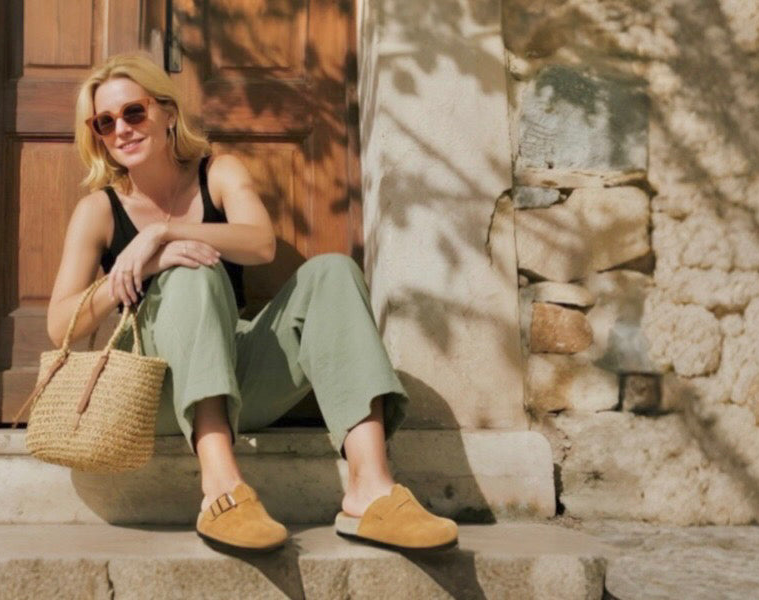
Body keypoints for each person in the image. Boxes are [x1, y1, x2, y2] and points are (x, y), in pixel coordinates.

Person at [43, 54, 459, 552]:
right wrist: (149, 266)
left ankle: (370, 490)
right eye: (105, 123)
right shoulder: (99, 210)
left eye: (134, 112)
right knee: (191, 271)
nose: (122, 130)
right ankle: (222, 489)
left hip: (240, 378)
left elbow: (261, 243)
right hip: (158, 391)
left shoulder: (218, 172)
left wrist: (164, 233)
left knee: (332, 271)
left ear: (168, 112)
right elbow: (60, 324)